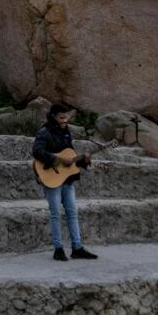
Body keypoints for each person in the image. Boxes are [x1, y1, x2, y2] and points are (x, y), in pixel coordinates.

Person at [32, 103, 99, 262]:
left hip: (67, 180)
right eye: (62, 117)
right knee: (55, 214)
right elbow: (37, 152)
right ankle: (58, 249)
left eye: (67, 117)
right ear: (54, 116)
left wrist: (85, 161)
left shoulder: (66, 132)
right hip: (51, 177)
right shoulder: (44, 132)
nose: (65, 120)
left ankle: (77, 248)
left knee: (72, 213)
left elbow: (71, 158)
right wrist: (58, 159)